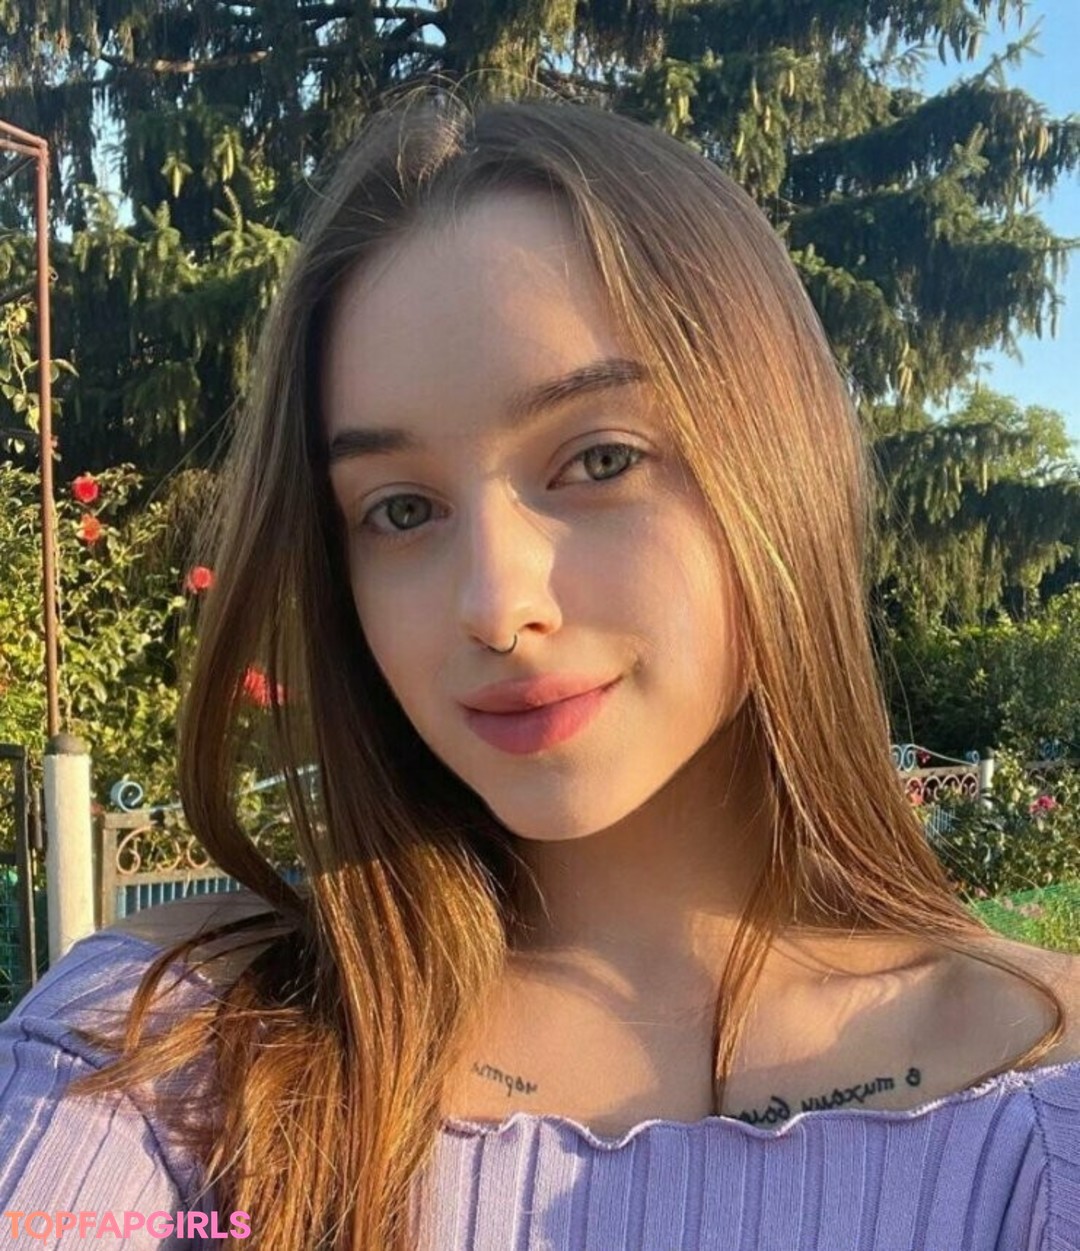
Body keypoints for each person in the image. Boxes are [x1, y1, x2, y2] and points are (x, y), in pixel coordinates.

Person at [1, 85, 1078, 1251]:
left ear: (783, 465)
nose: (495, 606)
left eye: (600, 459)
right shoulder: (168, 1059)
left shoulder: (1044, 1105)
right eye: (400, 508)